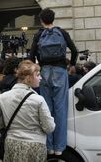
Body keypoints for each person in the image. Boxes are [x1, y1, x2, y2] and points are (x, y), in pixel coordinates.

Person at [29, 8, 78, 156]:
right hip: (60, 71)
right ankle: (59, 148)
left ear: (42, 20)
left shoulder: (38, 35)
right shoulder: (62, 33)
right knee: (60, 110)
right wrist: (71, 64)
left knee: (46, 110)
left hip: (44, 72)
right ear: (53, 19)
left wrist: (38, 67)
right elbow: (74, 50)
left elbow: (31, 55)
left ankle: (49, 146)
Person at [0, 60, 55, 161]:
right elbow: (49, 127)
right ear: (29, 78)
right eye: (38, 75)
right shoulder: (38, 100)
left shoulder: (4, 97)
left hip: (12, 143)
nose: (40, 78)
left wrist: (3, 125)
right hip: (34, 145)